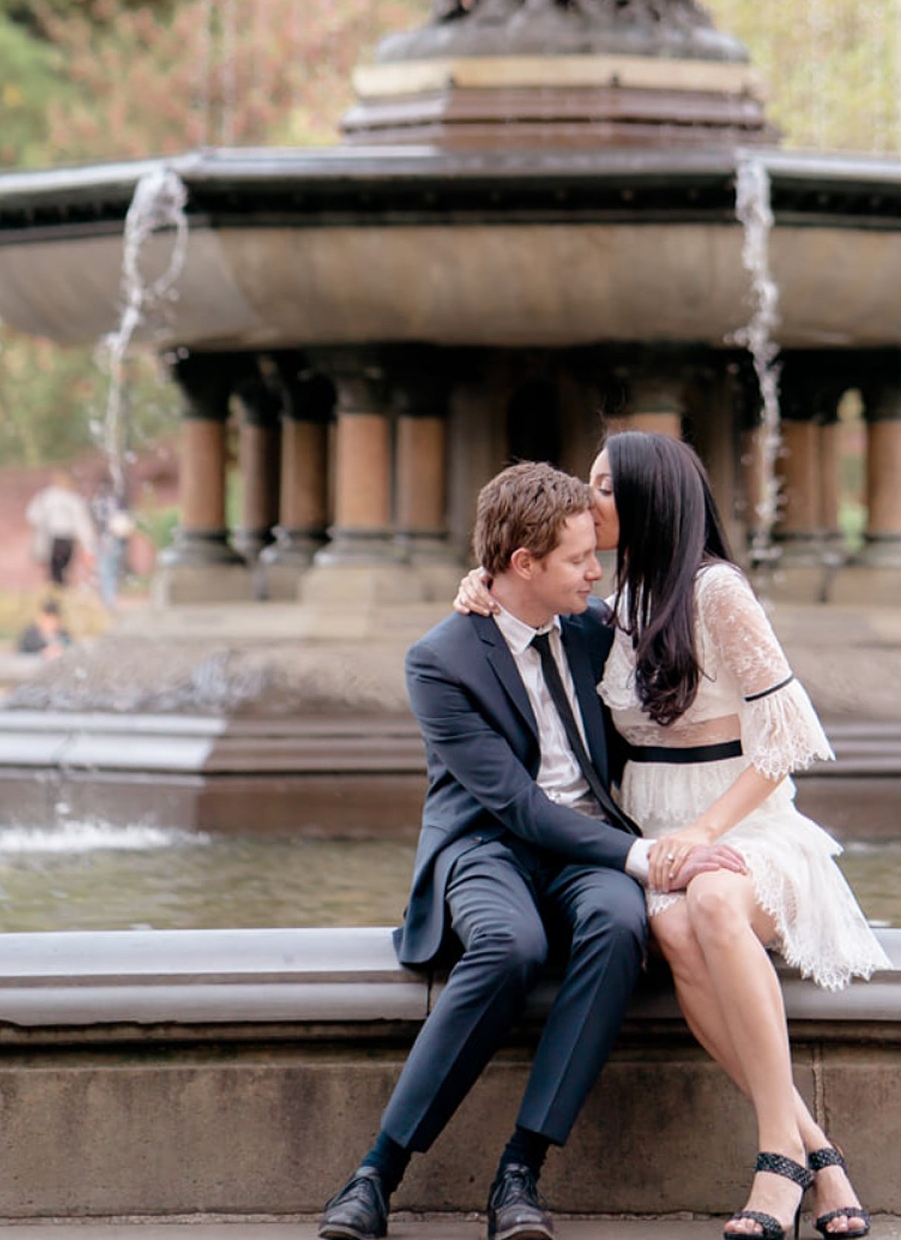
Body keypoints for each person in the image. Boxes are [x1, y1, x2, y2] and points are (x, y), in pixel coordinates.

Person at [458, 434, 880, 1240]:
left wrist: (703, 831)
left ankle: (774, 1162)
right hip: (658, 837)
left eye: (605, 488)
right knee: (674, 920)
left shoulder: (716, 590)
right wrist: (478, 586)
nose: (588, 504)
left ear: (651, 497)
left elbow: (788, 735)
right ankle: (819, 1154)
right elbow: (525, 603)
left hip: (745, 827)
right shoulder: (614, 606)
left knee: (713, 898)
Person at [318, 463, 742, 1240]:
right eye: (579, 558)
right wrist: (645, 857)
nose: (595, 570)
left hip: (589, 851)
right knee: (510, 943)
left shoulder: (592, 628)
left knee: (619, 927)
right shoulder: (440, 659)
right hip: (489, 845)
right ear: (522, 565)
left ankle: (520, 1167)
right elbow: (515, 804)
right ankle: (377, 1169)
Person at [25, 472, 96, 590]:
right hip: (62, 538)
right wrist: (87, 545)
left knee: (56, 568)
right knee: (60, 568)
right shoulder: (72, 499)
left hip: (55, 537)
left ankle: (57, 590)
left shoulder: (46, 496)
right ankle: (58, 590)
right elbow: (82, 523)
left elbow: (33, 516)